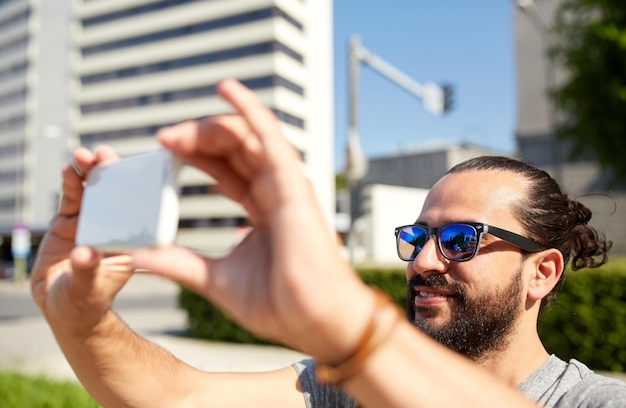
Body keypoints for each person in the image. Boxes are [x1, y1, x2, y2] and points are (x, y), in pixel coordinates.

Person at [30, 79, 626, 408]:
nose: (422, 261)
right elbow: (179, 398)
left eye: (460, 240)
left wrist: (350, 327)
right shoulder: (342, 387)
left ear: (543, 272)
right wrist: (82, 322)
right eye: (418, 237)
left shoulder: (594, 401)